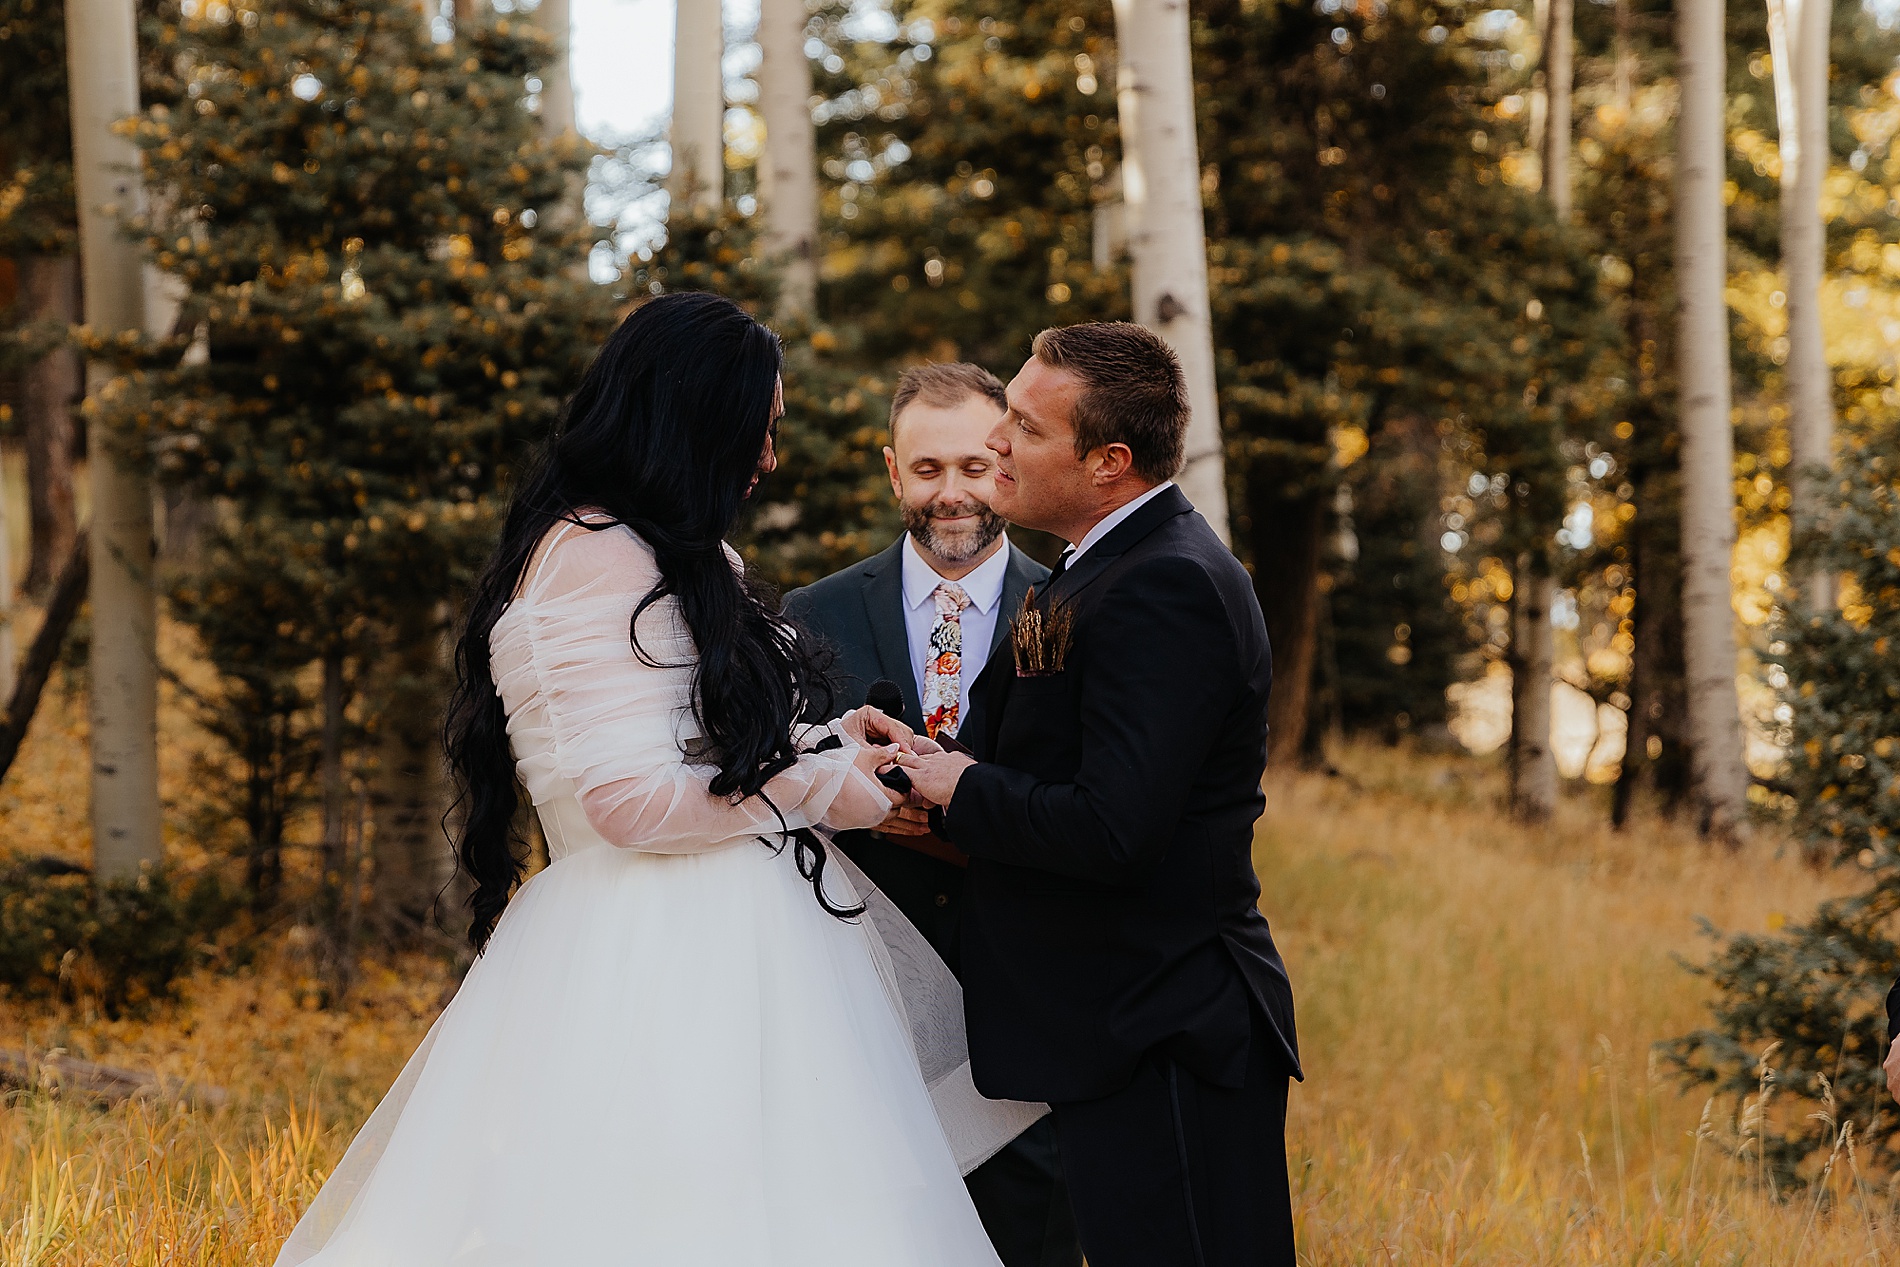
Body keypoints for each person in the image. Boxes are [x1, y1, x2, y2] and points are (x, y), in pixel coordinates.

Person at [274, 293, 1034, 1266]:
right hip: (652, 953)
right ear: (697, 423)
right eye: (758, 431)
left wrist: (833, 739)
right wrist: (814, 790)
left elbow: (684, 744)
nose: (767, 457)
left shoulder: (664, 549)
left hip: (735, 937)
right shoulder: (596, 556)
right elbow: (623, 804)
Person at [899, 322, 1303, 1267]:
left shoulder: (1170, 585)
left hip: (1169, 1033)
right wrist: (919, 759)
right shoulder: (1096, 565)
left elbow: (1115, 827)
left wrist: (961, 786)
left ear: (1109, 462)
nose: (999, 442)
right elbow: (1048, 764)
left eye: (1027, 429)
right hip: (1111, 1029)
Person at [783, 364, 1081, 1267]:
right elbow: (771, 794)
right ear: (890, 470)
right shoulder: (810, 616)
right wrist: (854, 805)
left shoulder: (1070, 605)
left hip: (1029, 1002)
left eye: (974, 466)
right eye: (924, 470)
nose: (951, 494)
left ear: (1008, 460)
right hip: (858, 1001)